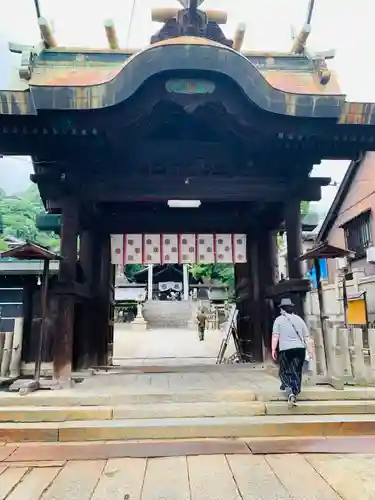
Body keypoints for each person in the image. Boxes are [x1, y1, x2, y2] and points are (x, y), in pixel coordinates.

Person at [271, 298, 313, 407]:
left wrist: (273, 349)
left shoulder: (278, 320)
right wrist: (310, 351)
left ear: (282, 309)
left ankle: (289, 390)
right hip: (300, 349)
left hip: (285, 349)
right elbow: (307, 337)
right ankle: (295, 390)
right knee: (296, 370)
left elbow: (275, 336)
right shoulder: (299, 319)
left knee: (284, 370)